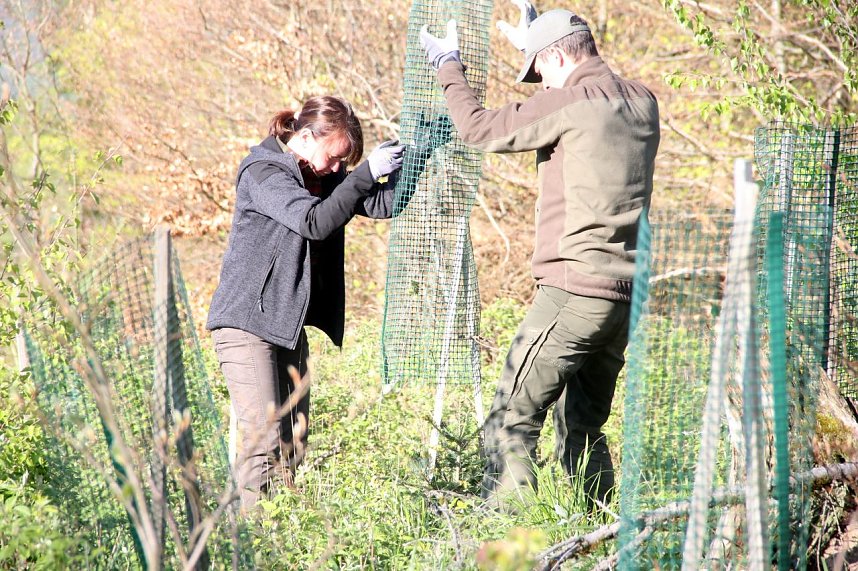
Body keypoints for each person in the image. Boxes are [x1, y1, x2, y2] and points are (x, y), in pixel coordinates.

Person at [420, 2, 660, 507]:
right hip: (624, 299)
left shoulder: (570, 103)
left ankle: (515, 541)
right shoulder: (643, 102)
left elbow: (479, 129)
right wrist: (537, 42)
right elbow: (572, 90)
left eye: (538, 72)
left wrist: (448, 65)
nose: (540, 85)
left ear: (553, 61)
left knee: (512, 415)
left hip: (573, 291)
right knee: (584, 425)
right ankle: (593, 529)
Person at [206, 95, 405, 509]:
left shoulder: (319, 175)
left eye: (345, 163)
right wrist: (365, 174)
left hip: (286, 325)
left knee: (293, 445)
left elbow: (381, 203)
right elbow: (314, 222)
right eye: (335, 157)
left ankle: (283, 539)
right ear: (308, 136)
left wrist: (417, 158)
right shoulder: (263, 172)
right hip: (246, 324)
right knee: (263, 444)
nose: (338, 169)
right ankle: (249, 546)